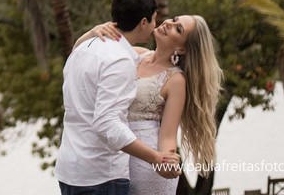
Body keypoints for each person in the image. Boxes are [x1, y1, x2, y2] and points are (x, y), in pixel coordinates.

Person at [74, 14, 223, 195]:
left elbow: (167, 135)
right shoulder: (133, 53)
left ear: (182, 49)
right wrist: (93, 32)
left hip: (147, 167)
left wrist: (165, 162)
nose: (169, 23)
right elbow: (78, 54)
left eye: (178, 29)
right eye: (174, 19)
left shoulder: (175, 79)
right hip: (111, 160)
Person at [56, 0, 181, 195]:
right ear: (143, 22)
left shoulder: (83, 48)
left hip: (70, 171)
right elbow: (106, 122)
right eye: (153, 20)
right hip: (101, 175)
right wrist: (155, 157)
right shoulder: (120, 60)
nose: (155, 26)